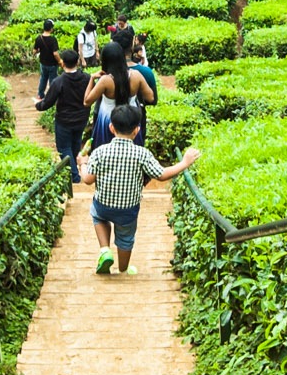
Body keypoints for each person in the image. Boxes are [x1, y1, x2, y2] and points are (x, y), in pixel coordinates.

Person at [81, 103, 199, 275]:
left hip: (103, 205)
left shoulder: (100, 151)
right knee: (126, 238)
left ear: (111, 127)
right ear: (136, 130)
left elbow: (87, 179)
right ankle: (123, 269)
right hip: (128, 209)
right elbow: (162, 175)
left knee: (98, 215)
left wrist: (83, 163)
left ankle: (105, 249)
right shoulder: (142, 154)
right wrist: (184, 163)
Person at [36, 46, 93, 181]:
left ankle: (74, 176)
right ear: (77, 62)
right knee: (75, 145)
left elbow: (47, 102)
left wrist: (38, 105)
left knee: (63, 147)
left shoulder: (59, 81)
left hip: (64, 120)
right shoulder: (87, 78)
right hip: (81, 119)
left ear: (62, 63)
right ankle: (74, 170)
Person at [87, 43, 155, 150]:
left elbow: (87, 101)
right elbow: (150, 97)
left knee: (105, 153)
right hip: (131, 118)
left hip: (107, 121)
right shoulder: (136, 75)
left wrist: (92, 78)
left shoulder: (105, 80)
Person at [33, 19, 61, 99]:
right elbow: (55, 53)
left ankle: (40, 94)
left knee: (43, 78)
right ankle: (52, 97)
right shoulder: (53, 40)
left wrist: (39, 50)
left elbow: (34, 51)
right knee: (52, 80)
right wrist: (60, 61)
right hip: (52, 64)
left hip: (43, 63)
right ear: (51, 28)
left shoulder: (39, 38)